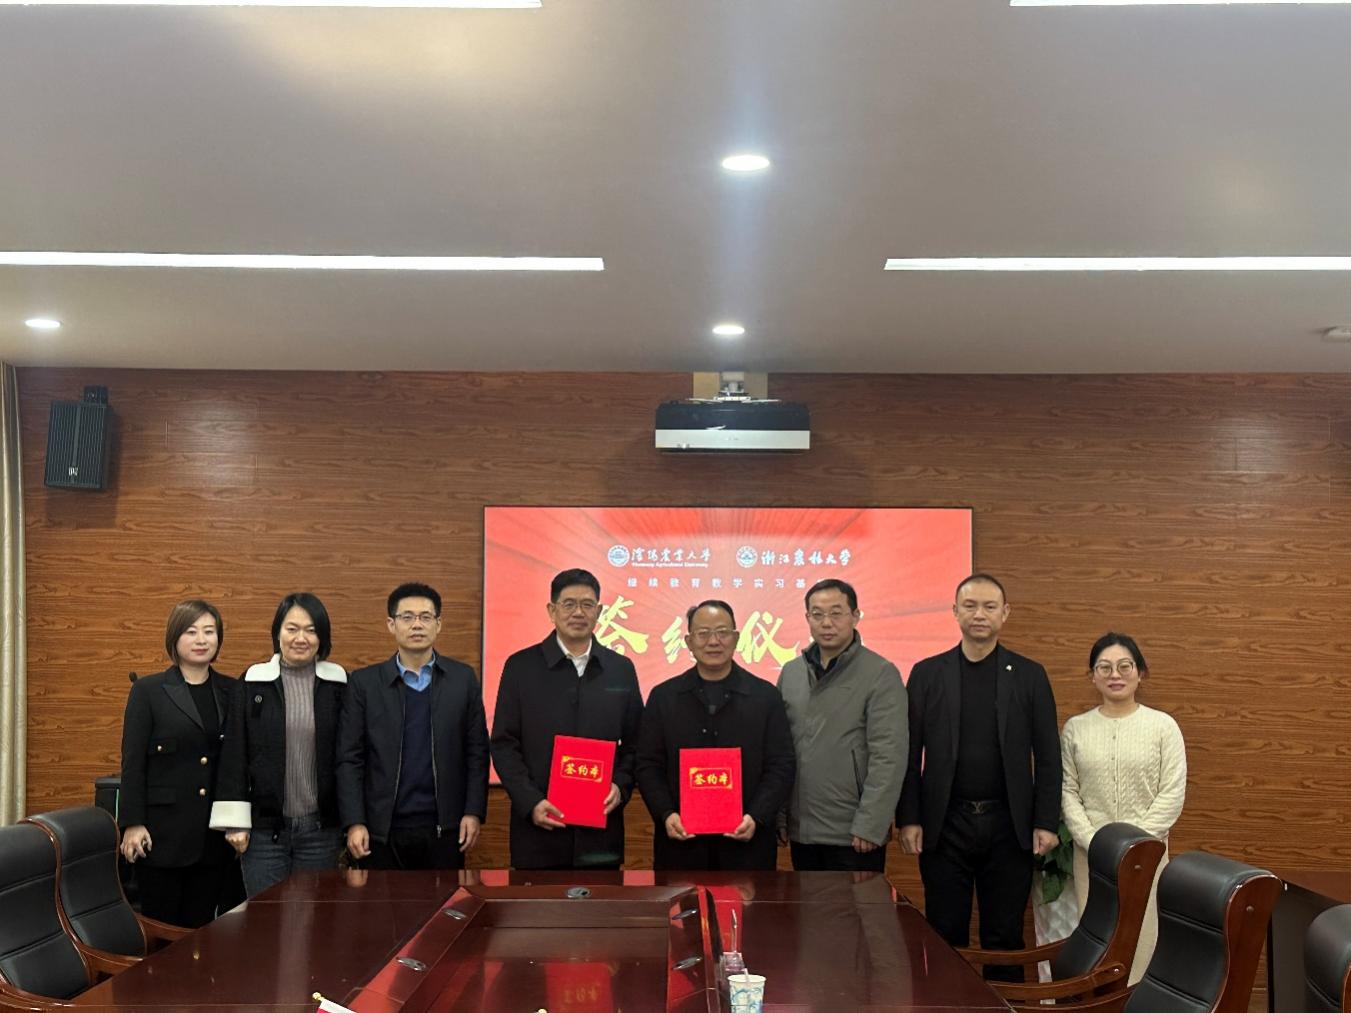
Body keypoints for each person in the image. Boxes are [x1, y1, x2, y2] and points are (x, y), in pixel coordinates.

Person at [896, 573, 1061, 981]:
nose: (979, 614)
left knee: (1004, 936)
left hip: (1009, 825)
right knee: (944, 932)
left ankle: (1004, 1005)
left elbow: (1048, 756)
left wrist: (1045, 821)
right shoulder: (927, 674)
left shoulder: (1030, 675)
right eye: (970, 606)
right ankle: (944, 1005)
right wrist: (909, 818)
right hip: (944, 823)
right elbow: (908, 754)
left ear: (1005, 613)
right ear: (955, 612)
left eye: (989, 606)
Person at [490, 568, 644, 869]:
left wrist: (621, 786)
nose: (578, 613)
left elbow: (637, 743)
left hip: (601, 834)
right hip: (538, 832)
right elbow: (504, 744)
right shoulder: (521, 667)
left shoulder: (620, 668)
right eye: (568, 604)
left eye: (587, 604)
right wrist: (530, 802)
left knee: (601, 900)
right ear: (552, 610)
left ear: (599, 611)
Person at [1061, 632, 1186, 984]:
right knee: (1097, 943)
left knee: (1145, 941)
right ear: (1093, 676)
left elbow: (1172, 792)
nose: (1115, 674)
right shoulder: (1075, 729)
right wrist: (1094, 842)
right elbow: (1068, 791)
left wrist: (1134, 845)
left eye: (1124, 666)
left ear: (1139, 672)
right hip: (1092, 857)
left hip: (1147, 856)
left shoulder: (1163, 727)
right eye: (1104, 667)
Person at [336, 582, 489, 870]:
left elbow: (477, 752)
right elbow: (349, 758)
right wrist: (354, 821)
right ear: (391, 624)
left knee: (444, 899)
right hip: (381, 830)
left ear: (438, 624)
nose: (417, 625)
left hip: (446, 827)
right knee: (383, 901)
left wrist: (473, 811)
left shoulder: (462, 679)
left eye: (425, 617)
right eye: (407, 617)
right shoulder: (365, 684)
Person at [636, 600, 795, 870]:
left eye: (722, 632)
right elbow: (648, 764)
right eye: (703, 633)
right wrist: (666, 813)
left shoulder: (765, 696)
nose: (713, 641)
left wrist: (756, 816)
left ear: (736, 638)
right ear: (688, 641)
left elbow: (781, 764)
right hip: (681, 845)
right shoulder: (664, 697)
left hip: (748, 846)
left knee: (749, 900)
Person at [210, 592, 348, 896]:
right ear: (278, 633)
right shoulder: (253, 682)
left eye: (311, 630)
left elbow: (351, 757)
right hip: (264, 833)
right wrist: (235, 822)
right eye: (292, 628)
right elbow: (234, 752)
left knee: (315, 917)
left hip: (321, 833)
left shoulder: (338, 685)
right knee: (266, 918)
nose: (301, 638)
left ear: (322, 637)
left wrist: (353, 821)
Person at [119, 599, 242, 927]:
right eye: (191, 631)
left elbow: (237, 762)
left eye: (209, 632)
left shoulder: (232, 690)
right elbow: (132, 763)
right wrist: (132, 823)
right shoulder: (148, 691)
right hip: (162, 837)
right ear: (174, 637)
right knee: (163, 932)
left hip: (213, 839)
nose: (201, 640)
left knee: (201, 931)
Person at [778, 578, 907, 872]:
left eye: (836, 613)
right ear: (807, 618)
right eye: (817, 614)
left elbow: (889, 756)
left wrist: (871, 823)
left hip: (854, 834)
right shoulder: (791, 673)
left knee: (857, 903)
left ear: (855, 616)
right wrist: (781, 816)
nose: (827, 622)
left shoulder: (880, 673)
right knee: (805, 903)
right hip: (802, 830)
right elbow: (781, 751)